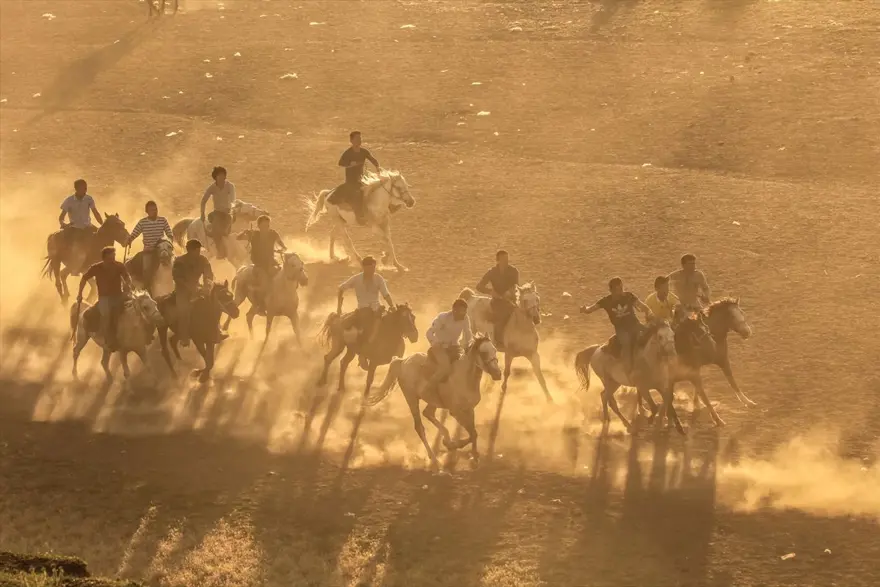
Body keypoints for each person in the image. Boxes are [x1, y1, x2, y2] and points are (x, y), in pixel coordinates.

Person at [580, 277, 654, 376]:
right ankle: (628, 370)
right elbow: (591, 309)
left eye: (621, 288)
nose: (620, 292)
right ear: (611, 290)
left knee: (653, 336)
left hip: (636, 325)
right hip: (621, 330)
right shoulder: (606, 301)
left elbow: (641, 306)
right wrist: (585, 309)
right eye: (617, 289)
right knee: (626, 343)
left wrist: (649, 312)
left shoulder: (629, 296)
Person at [337, 256, 394, 367]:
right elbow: (341, 288)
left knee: (390, 324)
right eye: (370, 268)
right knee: (368, 328)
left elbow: (386, 294)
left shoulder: (378, 278)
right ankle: (362, 355)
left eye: (374, 268)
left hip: (377, 308)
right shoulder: (356, 279)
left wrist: (392, 306)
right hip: (363, 310)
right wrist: (339, 307)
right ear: (364, 267)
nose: (373, 270)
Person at [77, 246, 132, 351]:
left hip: (119, 296)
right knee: (106, 316)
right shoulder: (96, 268)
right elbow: (84, 278)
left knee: (137, 306)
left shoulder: (119, 266)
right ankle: (109, 340)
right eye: (112, 256)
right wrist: (80, 293)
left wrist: (128, 284)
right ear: (105, 257)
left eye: (114, 256)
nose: (113, 258)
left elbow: (127, 277)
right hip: (104, 298)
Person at [236, 215, 286, 313]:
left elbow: (282, 245)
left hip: (271, 263)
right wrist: (244, 232)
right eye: (263, 226)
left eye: (267, 226)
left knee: (283, 276)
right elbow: (238, 237)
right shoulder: (253, 234)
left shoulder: (273, 234)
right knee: (264, 282)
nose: (266, 228)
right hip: (259, 265)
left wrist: (283, 249)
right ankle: (261, 306)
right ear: (258, 226)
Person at [424, 299, 473, 396]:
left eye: (465, 311)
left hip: (455, 347)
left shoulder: (465, 318)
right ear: (454, 310)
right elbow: (429, 332)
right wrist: (434, 342)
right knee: (445, 367)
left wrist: (468, 345)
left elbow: (468, 334)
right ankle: (428, 389)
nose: (464, 314)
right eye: (461, 311)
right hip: (439, 347)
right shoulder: (443, 317)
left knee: (464, 366)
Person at [172, 239, 215, 347]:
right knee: (183, 310)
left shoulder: (203, 260)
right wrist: (190, 288)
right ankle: (184, 336)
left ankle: (216, 330)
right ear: (190, 250)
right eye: (196, 249)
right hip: (182, 290)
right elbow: (177, 278)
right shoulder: (179, 261)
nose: (199, 251)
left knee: (213, 305)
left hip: (197, 287)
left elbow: (208, 274)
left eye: (199, 249)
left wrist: (207, 285)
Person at [475, 250, 520, 350]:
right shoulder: (492, 272)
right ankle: (500, 342)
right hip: (497, 302)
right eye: (504, 259)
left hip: (512, 300)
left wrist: (509, 292)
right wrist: (491, 292)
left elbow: (516, 285)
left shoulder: (514, 271)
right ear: (498, 260)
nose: (506, 261)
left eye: (507, 259)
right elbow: (479, 286)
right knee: (502, 315)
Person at [126, 200, 173, 290]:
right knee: (147, 269)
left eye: (155, 210)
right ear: (147, 212)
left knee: (173, 264)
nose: (154, 212)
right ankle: (147, 288)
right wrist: (129, 240)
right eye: (152, 210)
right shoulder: (142, 222)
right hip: (149, 250)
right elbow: (134, 234)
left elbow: (169, 233)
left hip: (161, 248)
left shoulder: (162, 220)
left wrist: (169, 242)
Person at [336, 131, 380, 225]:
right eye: (357, 139)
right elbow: (340, 163)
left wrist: (377, 167)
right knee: (358, 194)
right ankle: (359, 216)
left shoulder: (364, 152)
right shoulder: (348, 153)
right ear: (351, 141)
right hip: (351, 181)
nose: (359, 141)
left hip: (362, 179)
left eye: (360, 139)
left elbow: (373, 160)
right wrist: (350, 164)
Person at [199, 166, 236, 259]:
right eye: (219, 176)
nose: (222, 178)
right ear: (215, 177)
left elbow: (233, 200)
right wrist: (202, 213)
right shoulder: (212, 187)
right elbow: (203, 201)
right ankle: (220, 251)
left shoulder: (230, 186)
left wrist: (233, 210)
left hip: (227, 213)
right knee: (216, 231)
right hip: (217, 213)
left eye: (223, 175)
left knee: (228, 231)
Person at [59, 179, 104, 250]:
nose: (85, 190)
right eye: (83, 188)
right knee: (65, 245)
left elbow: (96, 213)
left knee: (101, 239)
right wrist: (63, 224)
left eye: (86, 188)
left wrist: (102, 225)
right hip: (74, 228)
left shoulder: (89, 199)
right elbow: (61, 217)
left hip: (88, 227)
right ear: (76, 189)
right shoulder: (69, 200)